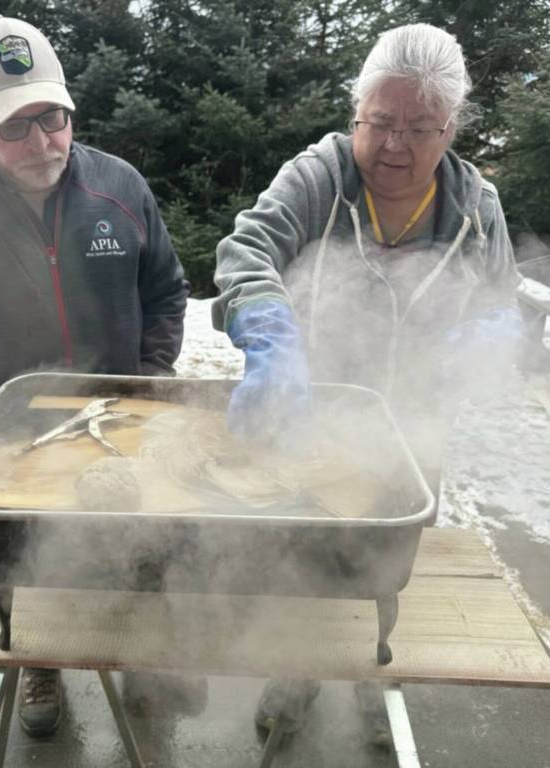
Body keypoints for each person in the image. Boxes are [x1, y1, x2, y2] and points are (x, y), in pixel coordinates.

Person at [212, 23, 524, 734]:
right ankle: (295, 671)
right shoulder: (318, 176)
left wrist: (491, 333)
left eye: (421, 128)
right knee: (301, 555)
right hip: (309, 415)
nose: (395, 145)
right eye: (381, 122)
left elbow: (505, 302)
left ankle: (376, 674)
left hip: (415, 431)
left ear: (451, 129)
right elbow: (247, 248)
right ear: (357, 112)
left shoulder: (477, 209)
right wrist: (271, 335)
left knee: (386, 562)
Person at [0, 15, 189, 737]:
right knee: (19, 553)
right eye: (15, 125)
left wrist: (147, 388)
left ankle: (147, 656)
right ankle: (37, 660)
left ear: (69, 108)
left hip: (124, 418)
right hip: (17, 431)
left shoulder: (120, 187)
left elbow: (166, 292)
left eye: (52, 119)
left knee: (142, 542)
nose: (41, 142)